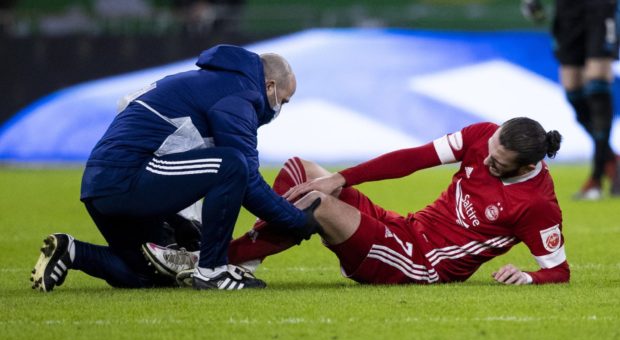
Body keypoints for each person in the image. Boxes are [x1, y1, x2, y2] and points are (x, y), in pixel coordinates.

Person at [30, 44, 318, 292]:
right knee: (232, 165)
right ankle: (213, 271)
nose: (280, 108)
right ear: (269, 86)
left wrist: (181, 223)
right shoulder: (240, 94)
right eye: (283, 99)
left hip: (100, 184)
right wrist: (297, 220)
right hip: (128, 177)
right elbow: (247, 181)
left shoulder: (209, 82)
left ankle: (72, 251)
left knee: (145, 274)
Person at [148, 117, 571, 286]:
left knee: (316, 202)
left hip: (421, 265)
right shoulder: (484, 135)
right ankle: (243, 258)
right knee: (303, 171)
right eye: (490, 149)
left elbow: (561, 271)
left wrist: (530, 277)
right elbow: (413, 159)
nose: (487, 158)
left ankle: (211, 260)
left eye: (498, 163)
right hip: (405, 228)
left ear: (523, 167)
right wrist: (342, 177)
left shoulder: (537, 205)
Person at [521, 0, 620, 200]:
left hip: (600, 8)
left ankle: (596, 176)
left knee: (597, 84)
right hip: (567, 11)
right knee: (573, 92)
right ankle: (610, 159)